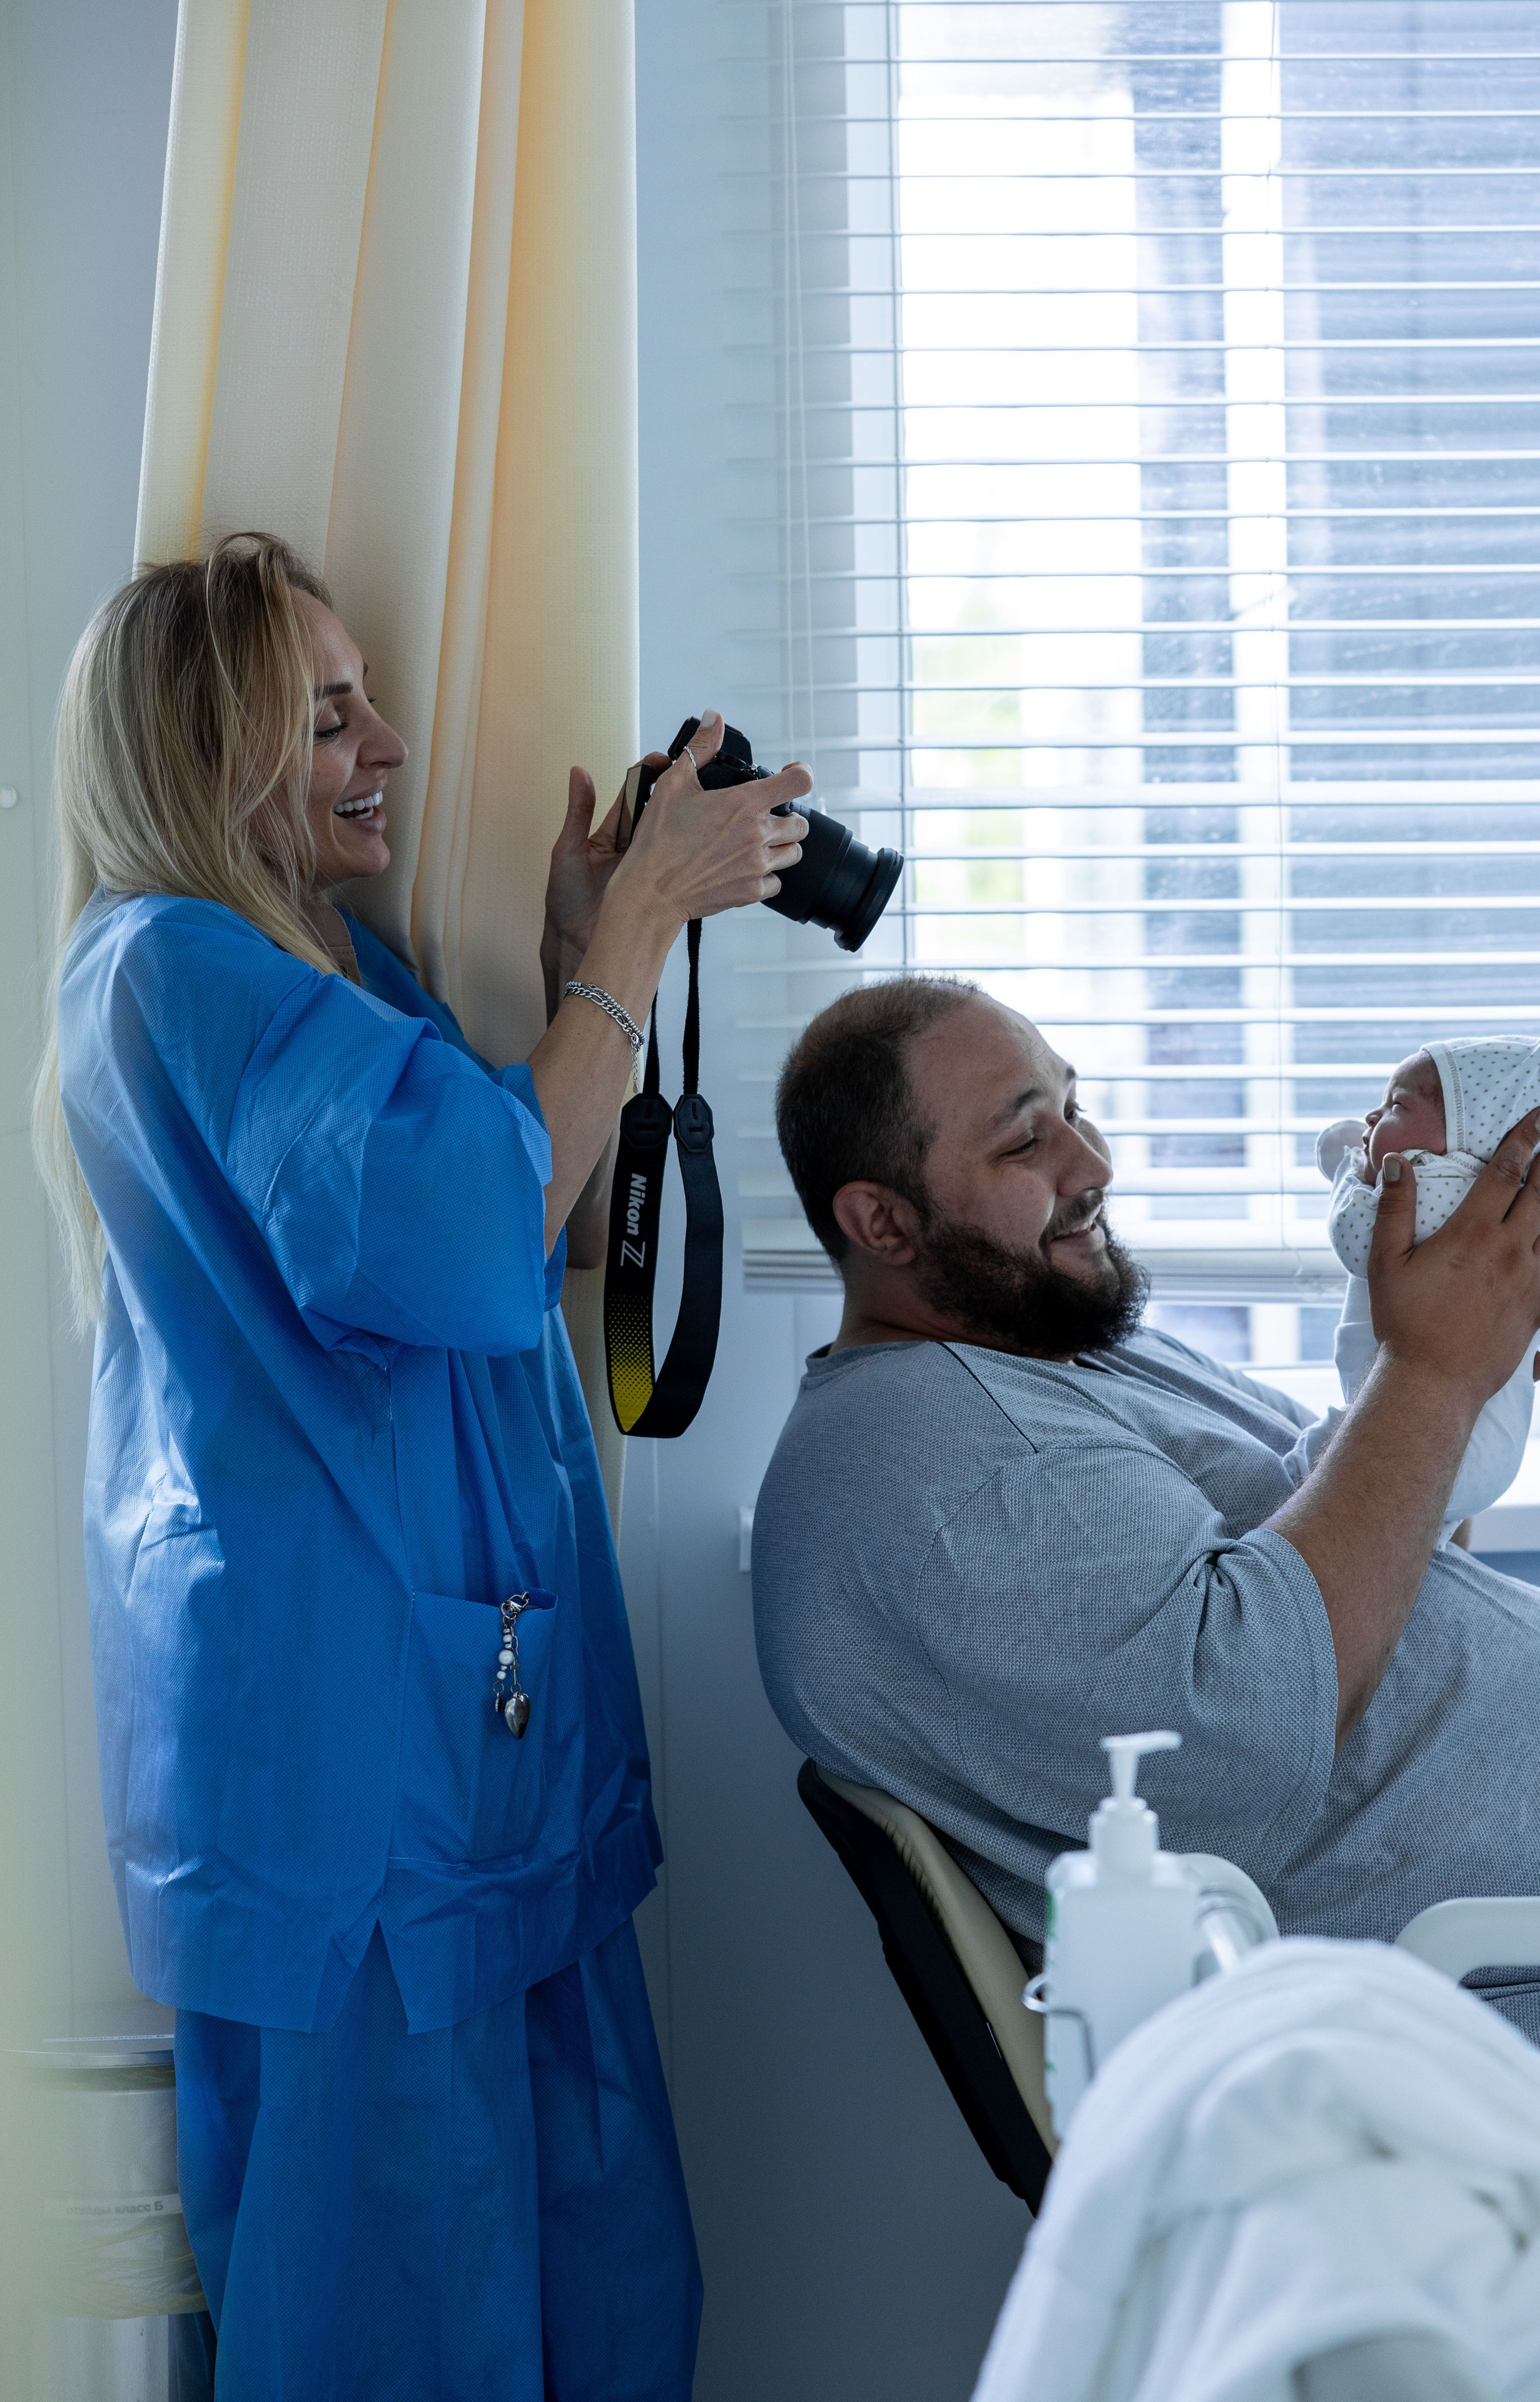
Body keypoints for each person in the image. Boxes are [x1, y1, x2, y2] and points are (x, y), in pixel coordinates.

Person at [34, 532, 812, 2400]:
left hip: (470, 1757)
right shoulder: (178, 968)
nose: (386, 743)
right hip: (361, 1803)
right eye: (328, 716)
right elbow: (470, 1231)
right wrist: (636, 931)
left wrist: (575, 961)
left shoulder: (338, 972)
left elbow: (523, 1223)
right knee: (400, 2333)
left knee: (592, 2293)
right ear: (205, 755)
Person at [749, 976, 1540, 2078]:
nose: (1092, 1164)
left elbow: (1364, 1544)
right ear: (882, 1222)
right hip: (1517, 2002)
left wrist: (1459, 1375)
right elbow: (1243, 1743)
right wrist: (1431, 1379)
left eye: (1074, 1107)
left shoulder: (1046, 1345)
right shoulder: (947, 1485)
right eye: (1026, 1143)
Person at [1304, 1034, 1540, 1529]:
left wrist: (1347, 1167)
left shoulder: (1431, 1186)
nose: (1371, 1117)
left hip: (1421, 1444)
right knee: (1430, 1528)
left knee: (1314, 1457)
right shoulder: (1504, 1211)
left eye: (1396, 1105)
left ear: (1470, 1133)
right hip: (1484, 1447)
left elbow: (1354, 1239)